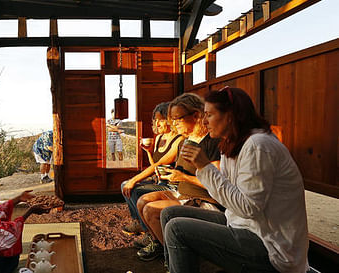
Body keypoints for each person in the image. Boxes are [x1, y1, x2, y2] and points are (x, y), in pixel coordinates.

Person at [161, 87, 308, 273]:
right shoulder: (230, 144)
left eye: (209, 115)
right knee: (170, 214)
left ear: (230, 115)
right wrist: (204, 169)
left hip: (270, 244)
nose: (204, 121)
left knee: (177, 229)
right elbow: (230, 196)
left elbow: (248, 208)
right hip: (241, 225)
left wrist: (205, 168)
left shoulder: (258, 145)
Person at [134, 93, 221, 262]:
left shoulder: (212, 143)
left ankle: (175, 256)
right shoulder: (185, 141)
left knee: (150, 210)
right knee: (142, 201)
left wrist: (183, 177)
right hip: (183, 194)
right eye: (172, 119)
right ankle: (162, 246)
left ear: (196, 116)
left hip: (203, 201)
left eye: (177, 119)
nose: (173, 124)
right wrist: (172, 175)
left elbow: (218, 185)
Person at [120, 102, 184, 240]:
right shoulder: (159, 138)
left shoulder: (179, 140)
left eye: (160, 119)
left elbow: (161, 163)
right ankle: (139, 222)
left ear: (170, 120)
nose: (157, 123)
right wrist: (149, 152)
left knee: (135, 189)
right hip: (158, 180)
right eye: (155, 120)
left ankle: (150, 232)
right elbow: (155, 166)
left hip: (170, 185)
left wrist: (134, 180)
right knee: (124, 185)